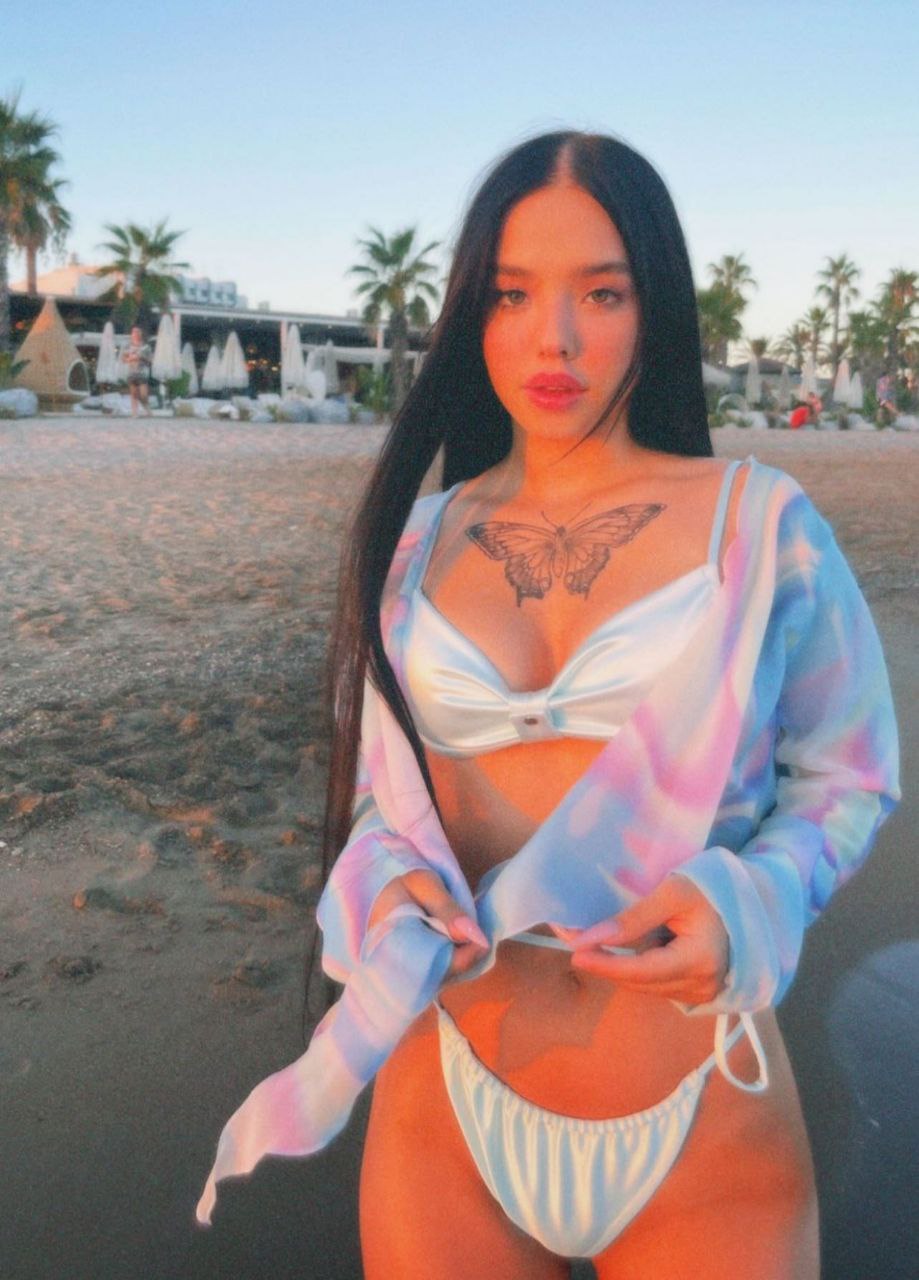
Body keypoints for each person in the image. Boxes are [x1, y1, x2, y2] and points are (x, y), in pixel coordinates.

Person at [197, 132, 900, 1278]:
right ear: (471, 312)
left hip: (701, 1104)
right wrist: (387, 878)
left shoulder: (759, 522)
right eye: (512, 293)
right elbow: (387, 800)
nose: (553, 338)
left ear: (653, 307)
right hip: (446, 1097)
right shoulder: (413, 540)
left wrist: (753, 899)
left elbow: (849, 772)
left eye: (601, 293)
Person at [122, 325, 152, 417]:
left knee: (143, 395)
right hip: (131, 372)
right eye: (134, 332)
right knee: (134, 394)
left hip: (142, 373)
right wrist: (130, 359)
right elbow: (123, 359)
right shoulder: (128, 346)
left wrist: (141, 358)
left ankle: (147, 407)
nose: (135, 334)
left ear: (141, 334)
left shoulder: (146, 347)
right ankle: (134, 413)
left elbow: (150, 361)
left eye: (137, 332)